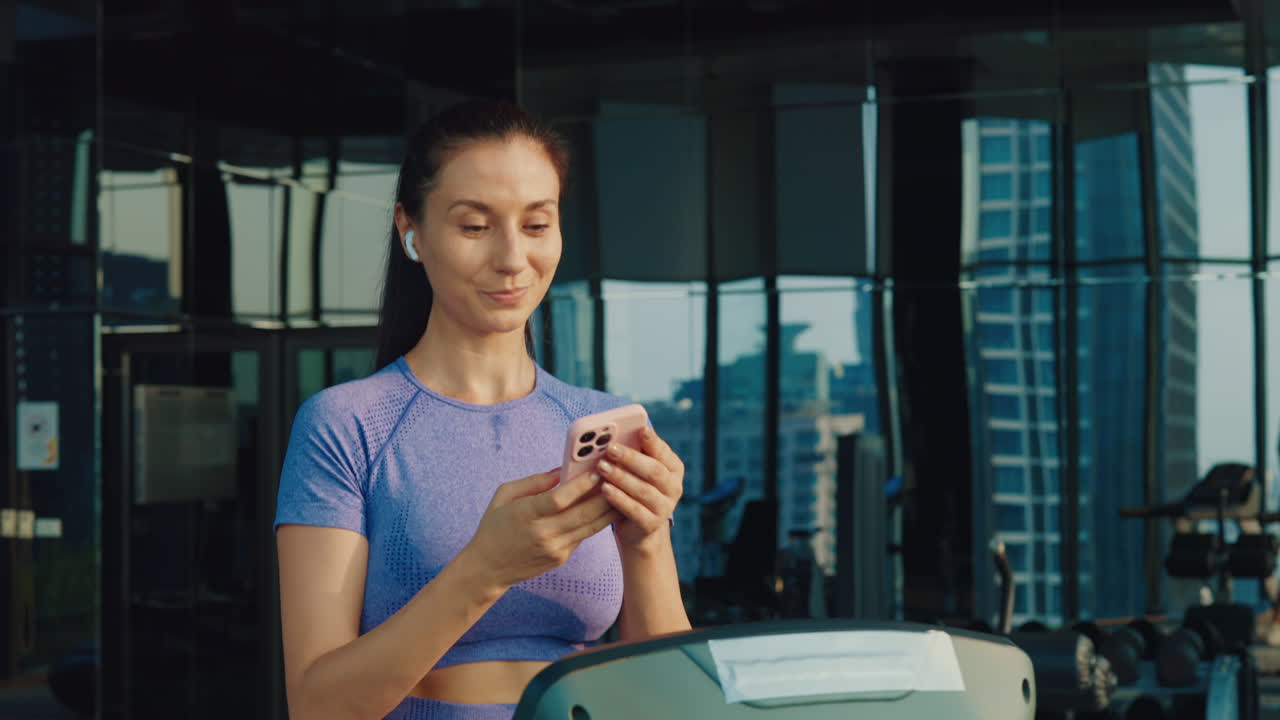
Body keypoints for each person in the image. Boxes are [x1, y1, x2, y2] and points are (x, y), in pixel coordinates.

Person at [274, 100, 691, 720]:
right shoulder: (347, 425)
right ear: (410, 230)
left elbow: (671, 695)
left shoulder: (599, 423)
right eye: (475, 226)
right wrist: (486, 569)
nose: (512, 259)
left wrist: (648, 539)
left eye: (536, 224)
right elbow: (317, 705)